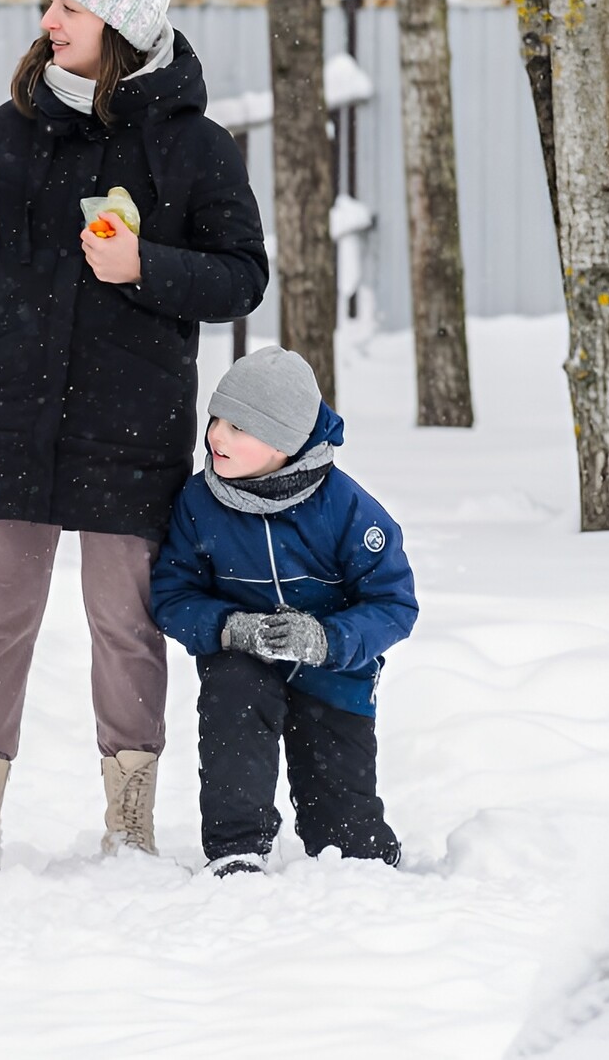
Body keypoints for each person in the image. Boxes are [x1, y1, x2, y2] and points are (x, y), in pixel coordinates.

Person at [0, 0, 268, 861]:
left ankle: (127, 822)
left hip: (132, 426)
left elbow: (243, 275)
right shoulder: (18, 128)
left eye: (69, 4)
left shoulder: (196, 148)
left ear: (118, 18)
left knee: (124, 623)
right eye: (51, 1)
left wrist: (145, 267)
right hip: (11, 414)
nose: (48, 18)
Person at [150, 347, 417, 876]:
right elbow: (172, 593)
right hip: (244, 663)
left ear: (286, 443)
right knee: (233, 699)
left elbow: (394, 604)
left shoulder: (348, 510)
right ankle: (236, 848)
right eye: (217, 419)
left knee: (347, 843)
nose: (217, 438)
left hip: (333, 671)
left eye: (240, 428)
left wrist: (326, 640)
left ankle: (358, 844)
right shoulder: (199, 501)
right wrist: (229, 629)